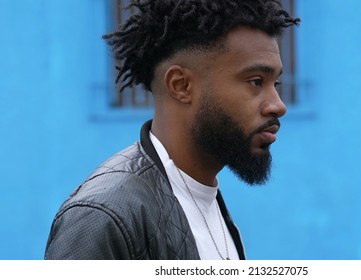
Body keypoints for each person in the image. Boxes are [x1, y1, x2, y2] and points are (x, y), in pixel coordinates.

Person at [45, 0, 299, 260]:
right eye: (256, 81)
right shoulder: (103, 216)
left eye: (275, 83)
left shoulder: (205, 199)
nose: (278, 106)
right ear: (181, 85)